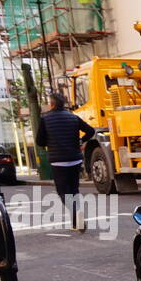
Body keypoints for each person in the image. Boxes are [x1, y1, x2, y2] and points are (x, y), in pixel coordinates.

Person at [35, 91, 95, 233]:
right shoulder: (73, 117)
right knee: (74, 190)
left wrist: (49, 142)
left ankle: (75, 212)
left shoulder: (45, 119)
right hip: (75, 159)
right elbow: (91, 131)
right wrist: (81, 140)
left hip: (58, 161)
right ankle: (76, 222)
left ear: (51, 104)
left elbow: (39, 141)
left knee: (63, 192)